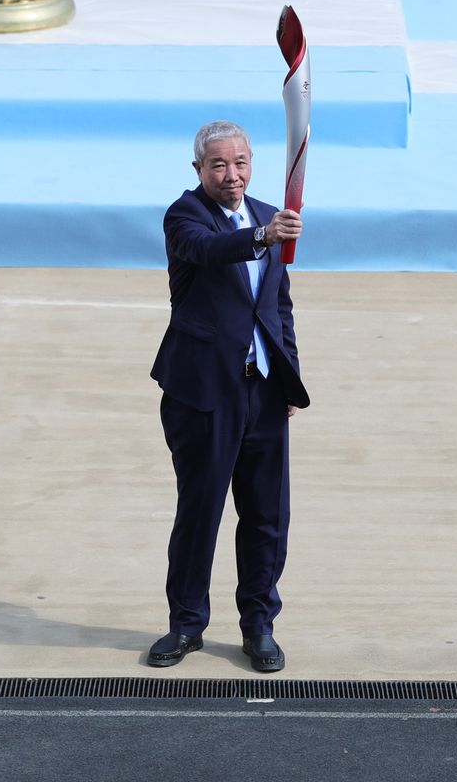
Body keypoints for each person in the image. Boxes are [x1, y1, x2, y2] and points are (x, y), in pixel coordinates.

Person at [147, 121, 307, 673]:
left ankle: (259, 625)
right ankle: (186, 624)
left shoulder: (267, 213)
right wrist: (265, 238)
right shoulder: (184, 216)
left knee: (267, 516)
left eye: (239, 163)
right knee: (200, 513)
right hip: (204, 393)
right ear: (198, 170)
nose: (231, 175)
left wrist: (289, 376)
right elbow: (210, 251)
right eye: (218, 165)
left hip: (263, 391)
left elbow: (277, 305)